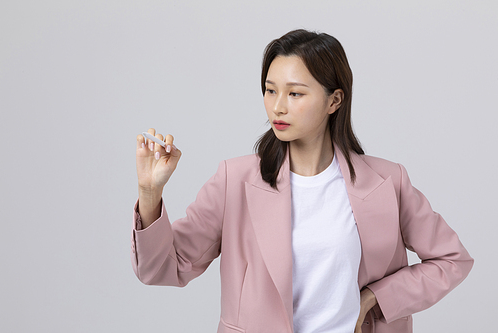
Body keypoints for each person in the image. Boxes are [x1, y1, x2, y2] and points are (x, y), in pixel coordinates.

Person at [131, 29, 473, 333]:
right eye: (270, 90)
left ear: (334, 100)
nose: (277, 107)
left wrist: (375, 297)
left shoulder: (387, 181)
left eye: (295, 94)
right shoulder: (234, 180)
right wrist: (150, 193)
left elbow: (452, 259)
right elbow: (162, 269)